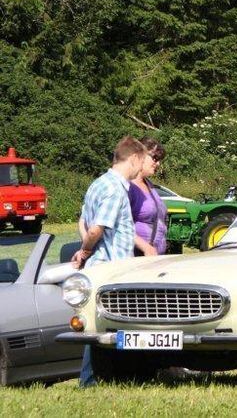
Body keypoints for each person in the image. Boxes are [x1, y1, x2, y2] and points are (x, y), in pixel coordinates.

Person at [72, 136, 147, 387]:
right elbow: (96, 230)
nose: (141, 168)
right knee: (117, 325)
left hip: (99, 266)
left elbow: (82, 223)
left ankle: (103, 378)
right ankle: (92, 380)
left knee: (100, 325)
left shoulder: (97, 184)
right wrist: (84, 251)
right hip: (113, 269)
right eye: (142, 161)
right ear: (134, 158)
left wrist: (85, 250)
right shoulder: (116, 190)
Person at [128, 137, 168, 256]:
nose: (158, 163)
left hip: (154, 258)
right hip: (136, 257)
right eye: (154, 158)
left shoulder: (149, 185)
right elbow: (119, 226)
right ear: (140, 155)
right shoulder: (128, 187)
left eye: (159, 159)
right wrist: (145, 247)